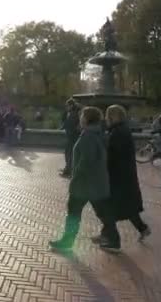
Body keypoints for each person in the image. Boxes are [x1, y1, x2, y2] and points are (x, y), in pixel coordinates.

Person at [49, 107, 111, 251]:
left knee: (73, 212)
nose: (80, 118)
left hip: (84, 184)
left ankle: (67, 242)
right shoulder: (98, 134)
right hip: (96, 183)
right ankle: (111, 236)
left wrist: (75, 177)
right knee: (102, 212)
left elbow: (85, 162)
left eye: (82, 116)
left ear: (86, 119)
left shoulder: (88, 136)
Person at [90, 105, 151, 250]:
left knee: (108, 208)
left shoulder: (118, 133)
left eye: (108, 115)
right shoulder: (121, 130)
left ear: (113, 117)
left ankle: (110, 238)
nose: (106, 118)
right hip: (124, 177)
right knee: (127, 208)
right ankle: (142, 228)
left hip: (118, 177)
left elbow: (112, 156)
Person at [60, 99, 81, 177]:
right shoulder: (72, 113)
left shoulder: (74, 114)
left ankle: (68, 170)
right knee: (69, 153)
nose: (66, 107)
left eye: (67, 105)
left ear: (71, 105)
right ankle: (68, 169)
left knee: (69, 154)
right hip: (71, 136)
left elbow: (70, 124)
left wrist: (65, 126)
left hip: (72, 137)